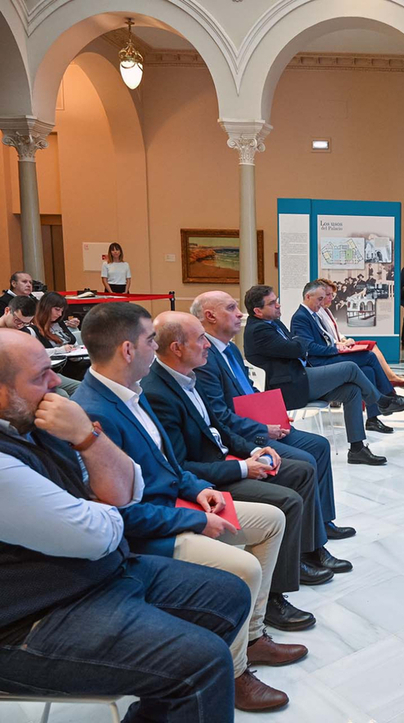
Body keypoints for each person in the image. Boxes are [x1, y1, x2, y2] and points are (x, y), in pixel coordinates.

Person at [0, 329, 252, 723]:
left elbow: (127, 490)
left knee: (229, 594)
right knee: (202, 663)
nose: (56, 383)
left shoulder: (39, 422)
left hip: (98, 574)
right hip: (32, 619)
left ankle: (164, 705)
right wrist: (99, 503)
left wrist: (87, 438)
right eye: (40, 376)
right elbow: (98, 533)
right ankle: (179, 692)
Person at [72, 302, 302, 713]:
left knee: (271, 519)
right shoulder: (94, 412)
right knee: (243, 568)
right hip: (149, 532)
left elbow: (170, 464)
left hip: (174, 506)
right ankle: (234, 673)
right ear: (128, 350)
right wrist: (195, 517)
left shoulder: (132, 393)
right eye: (149, 341)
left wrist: (198, 491)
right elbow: (121, 513)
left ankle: (252, 634)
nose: (154, 348)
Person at [190, 290, 356, 540]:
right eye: (232, 308)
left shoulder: (230, 350)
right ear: (210, 316)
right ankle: (312, 541)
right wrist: (261, 428)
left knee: (319, 445)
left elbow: (248, 391)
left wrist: (274, 414)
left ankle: (323, 522)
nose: (240, 314)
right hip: (245, 434)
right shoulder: (206, 359)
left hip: (261, 422)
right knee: (305, 461)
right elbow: (220, 415)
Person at [243, 285, 404, 466]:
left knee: (352, 390)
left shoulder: (274, 323)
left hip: (301, 375)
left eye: (276, 300)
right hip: (291, 385)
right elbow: (299, 348)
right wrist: (298, 344)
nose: (278, 305)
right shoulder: (259, 330)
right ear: (257, 311)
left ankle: (357, 449)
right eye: (272, 303)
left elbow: (297, 347)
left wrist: (297, 344)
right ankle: (383, 401)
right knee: (350, 367)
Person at [291, 280, 404, 434]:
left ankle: (374, 417)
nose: (323, 302)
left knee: (368, 370)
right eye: (320, 299)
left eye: (325, 297)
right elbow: (308, 347)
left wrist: (340, 344)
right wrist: (335, 349)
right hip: (320, 363)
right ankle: (389, 398)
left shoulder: (313, 314)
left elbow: (326, 338)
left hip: (327, 355)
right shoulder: (301, 317)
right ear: (308, 296)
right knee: (369, 356)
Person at [316, 278, 404, 388]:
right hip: (336, 349)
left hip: (340, 345)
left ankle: (390, 382)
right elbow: (324, 336)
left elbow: (335, 332)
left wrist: (343, 339)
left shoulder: (326, 310)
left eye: (332, 295)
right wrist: (340, 343)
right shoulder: (317, 312)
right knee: (370, 352)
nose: (331, 298)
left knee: (370, 347)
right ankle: (392, 380)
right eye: (328, 295)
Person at [0, 296, 80, 398]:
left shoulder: (24, 330)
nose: (20, 326)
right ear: (7, 310)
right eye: (17, 321)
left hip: (38, 374)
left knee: (79, 387)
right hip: (16, 380)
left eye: (26, 323)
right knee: (61, 395)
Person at [27, 291, 89, 381]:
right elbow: (34, 354)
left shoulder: (60, 324)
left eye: (61, 311)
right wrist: (60, 350)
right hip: (56, 369)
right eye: (57, 309)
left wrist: (75, 351)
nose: (60, 314)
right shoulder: (32, 329)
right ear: (45, 307)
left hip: (74, 363)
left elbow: (74, 344)